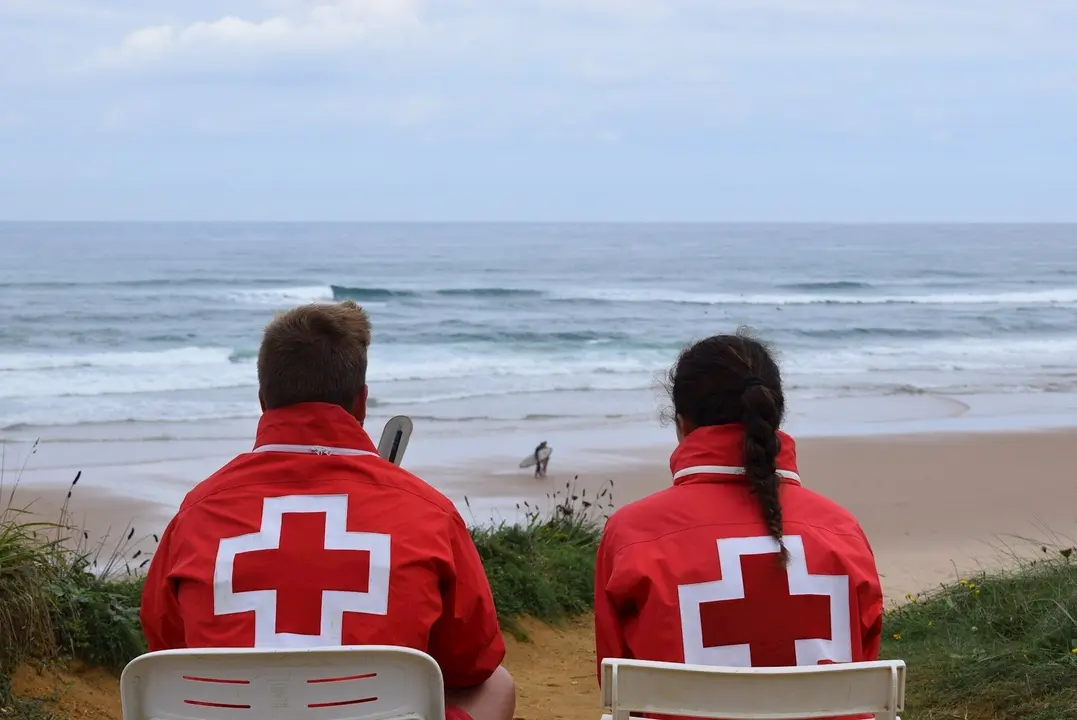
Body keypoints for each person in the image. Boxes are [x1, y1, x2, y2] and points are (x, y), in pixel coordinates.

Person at [140, 301, 515, 720]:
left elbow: (168, 653)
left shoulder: (197, 513)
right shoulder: (429, 513)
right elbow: (472, 662)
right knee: (495, 685)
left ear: (264, 400)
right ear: (361, 403)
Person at [594, 332, 883, 686]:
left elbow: (614, 682)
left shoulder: (632, 535)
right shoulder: (842, 531)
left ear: (682, 424)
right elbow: (864, 661)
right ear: (773, 418)